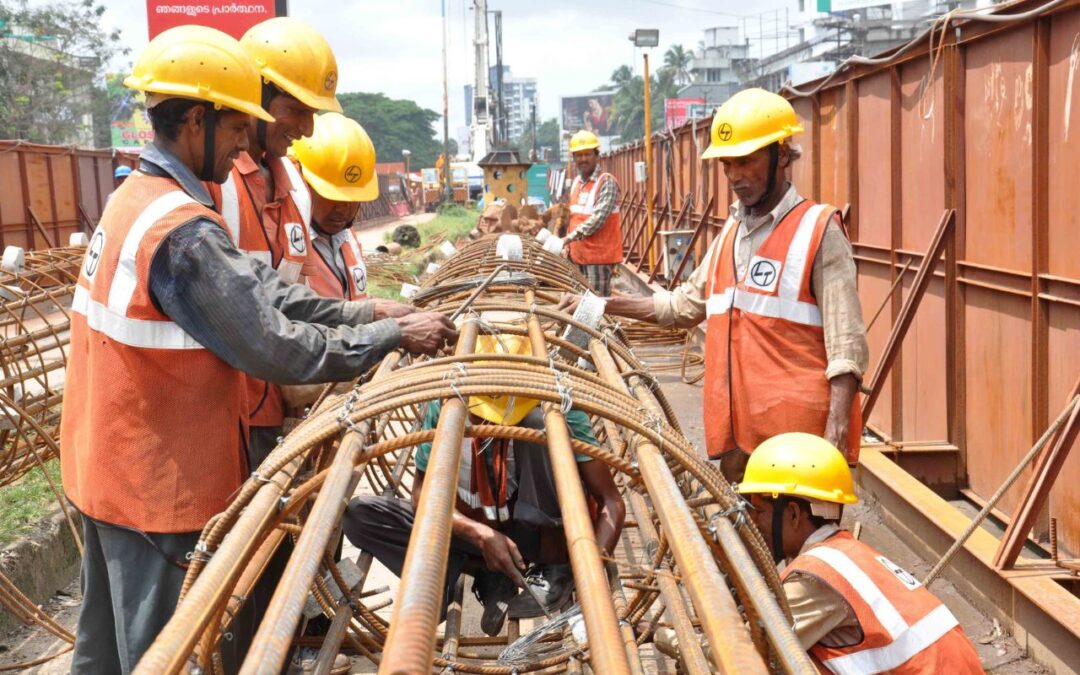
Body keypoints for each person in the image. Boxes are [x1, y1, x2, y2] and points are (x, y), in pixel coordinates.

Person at [59, 26, 457, 674]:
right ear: (196, 121)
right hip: (160, 487)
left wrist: (368, 310)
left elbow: (264, 288)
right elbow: (271, 343)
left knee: (102, 656)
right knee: (170, 652)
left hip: (107, 469)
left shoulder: (140, 198)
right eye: (238, 124)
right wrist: (388, 336)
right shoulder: (182, 230)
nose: (249, 138)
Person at [559, 89, 867, 482]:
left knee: (798, 543)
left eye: (746, 161)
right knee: (748, 542)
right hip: (740, 439)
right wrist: (601, 303)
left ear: (783, 155)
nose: (734, 176)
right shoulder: (731, 235)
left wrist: (836, 433)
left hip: (799, 442)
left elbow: (847, 346)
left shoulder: (818, 230)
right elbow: (680, 307)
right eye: (726, 165)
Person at [342, 334, 625, 636]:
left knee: (542, 428)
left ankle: (553, 568)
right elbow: (421, 494)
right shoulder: (450, 404)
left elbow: (612, 502)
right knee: (360, 516)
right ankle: (485, 572)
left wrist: (589, 570)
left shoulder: (556, 405)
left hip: (535, 535)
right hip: (475, 529)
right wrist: (479, 534)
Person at [205, 17, 379, 469]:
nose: (305, 128)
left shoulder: (295, 191)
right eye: (296, 109)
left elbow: (286, 294)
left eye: (312, 113)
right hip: (223, 413)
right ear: (255, 92)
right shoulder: (216, 185)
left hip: (278, 403)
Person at [737, 433, 984, 673]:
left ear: (793, 513)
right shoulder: (845, 554)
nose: (753, 520)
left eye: (758, 510)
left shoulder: (816, 578)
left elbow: (746, 654)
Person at [290, 112, 377, 300]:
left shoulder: (347, 236)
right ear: (302, 182)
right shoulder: (289, 242)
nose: (342, 209)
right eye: (332, 196)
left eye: (352, 198)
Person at [562, 129, 622, 295]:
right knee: (580, 306)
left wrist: (568, 238)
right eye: (578, 155)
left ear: (597, 155)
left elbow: (598, 219)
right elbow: (572, 218)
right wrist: (567, 246)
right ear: (574, 158)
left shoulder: (606, 182)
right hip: (578, 258)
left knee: (595, 307)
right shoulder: (576, 183)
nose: (583, 159)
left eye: (587, 154)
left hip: (599, 261)